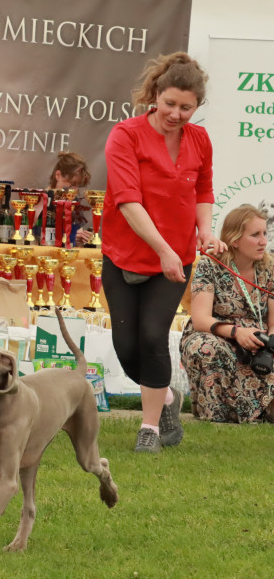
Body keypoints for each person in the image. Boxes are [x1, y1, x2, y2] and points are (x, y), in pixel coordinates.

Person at [100, 52, 225, 454]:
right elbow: (128, 201)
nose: (176, 113)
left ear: (197, 106)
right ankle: (167, 397)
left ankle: (150, 429)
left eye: (186, 107)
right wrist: (163, 250)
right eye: (169, 103)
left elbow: (202, 191)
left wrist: (204, 231)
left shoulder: (200, 140)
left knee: (153, 337)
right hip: (125, 255)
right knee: (126, 346)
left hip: (175, 260)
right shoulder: (125, 135)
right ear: (155, 94)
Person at [180, 205, 274, 423]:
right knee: (205, 347)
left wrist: (268, 339)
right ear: (234, 240)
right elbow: (201, 319)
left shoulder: (270, 269)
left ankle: (262, 410)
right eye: (255, 235)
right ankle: (218, 414)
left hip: (258, 337)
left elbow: (273, 322)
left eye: (264, 234)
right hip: (218, 333)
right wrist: (238, 333)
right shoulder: (210, 265)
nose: (263, 241)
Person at [32, 152, 93, 246]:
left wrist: (83, 238)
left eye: (78, 186)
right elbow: (32, 234)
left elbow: (76, 237)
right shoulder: (39, 198)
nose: (74, 190)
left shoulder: (74, 200)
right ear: (58, 175)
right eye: (71, 184)